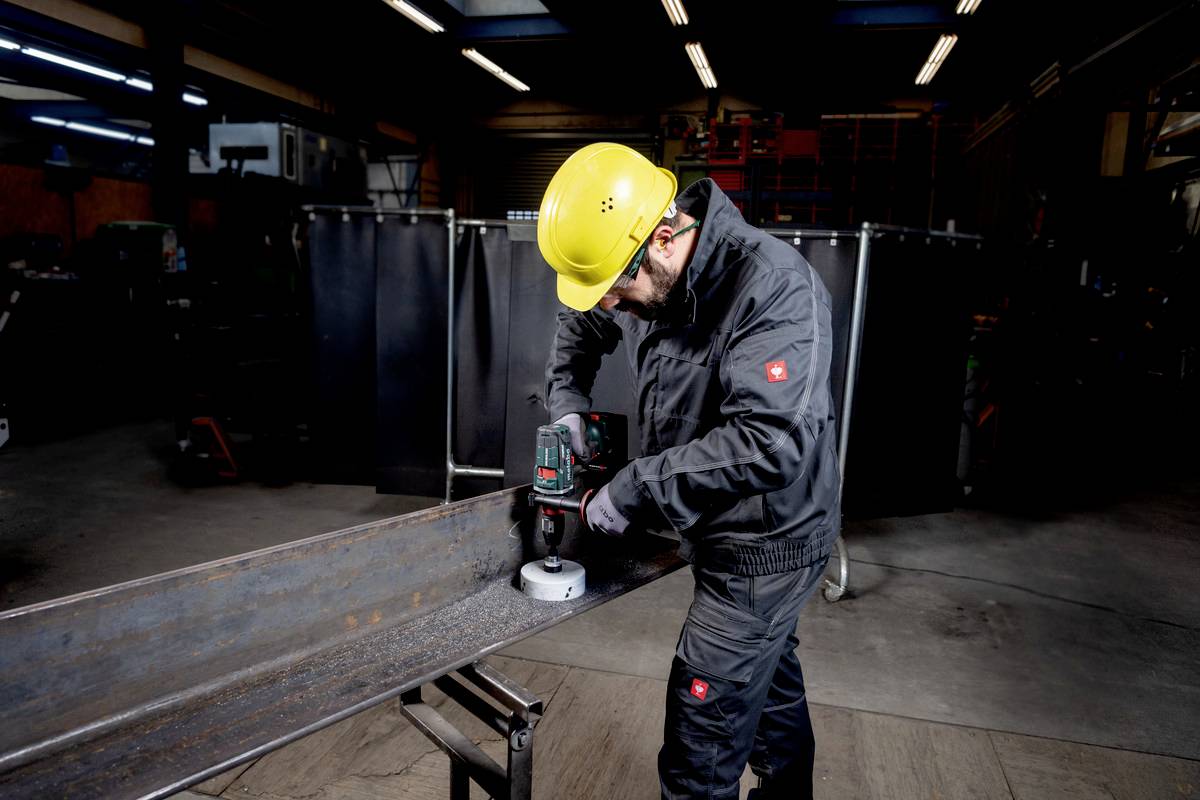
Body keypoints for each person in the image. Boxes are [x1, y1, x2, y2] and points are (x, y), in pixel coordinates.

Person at [538, 142, 840, 799]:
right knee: (769, 675)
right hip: (713, 528)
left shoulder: (774, 288)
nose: (614, 305)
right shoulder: (644, 271)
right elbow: (581, 320)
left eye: (621, 287)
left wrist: (632, 489)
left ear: (665, 235)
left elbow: (769, 441)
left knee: (700, 739)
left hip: (767, 547)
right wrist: (567, 409)